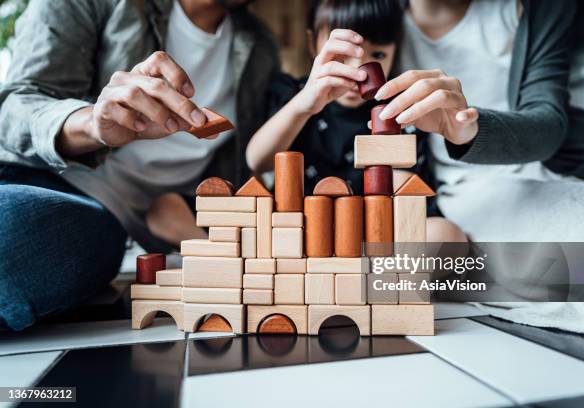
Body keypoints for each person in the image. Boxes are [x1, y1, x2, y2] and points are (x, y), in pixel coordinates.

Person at [0, 0, 280, 330]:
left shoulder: (259, 44)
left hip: (119, 225)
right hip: (40, 179)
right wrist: (92, 124)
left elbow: (246, 165)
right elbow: (14, 106)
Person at [373, 0, 584, 242]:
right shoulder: (371, 16)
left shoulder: (536, 8)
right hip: (472, 188)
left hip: (575, 165)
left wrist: (472, 130)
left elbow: (549, 123)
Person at [246, 0, 467, 243]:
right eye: (344, 55)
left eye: (378, 55)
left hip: (377, 229)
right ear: (313, 44)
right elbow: (257, 161)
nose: (359, 70)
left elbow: (407, 188)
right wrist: (305, 104)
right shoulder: (293, 95)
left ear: (396, 52)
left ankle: (378, 274)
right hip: (308, 226)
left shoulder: (401, 106)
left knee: (447, 236)